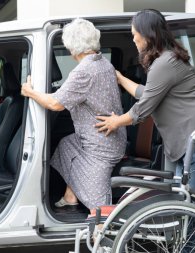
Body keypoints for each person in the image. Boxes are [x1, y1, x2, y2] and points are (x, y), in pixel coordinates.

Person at [95, 9, 195, 208]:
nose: (133, 40)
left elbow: (144, 108)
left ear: (147, 34)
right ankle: (189, 241)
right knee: (186, 208)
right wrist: (121, 79)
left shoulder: (165, 63)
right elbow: (146, 94)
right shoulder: (166, 61)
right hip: (192, 144)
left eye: (134, 35)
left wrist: (116, 121)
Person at [21, 18, 127, 210]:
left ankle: (103, 232)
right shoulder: (104, 63)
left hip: (101, 146)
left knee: (99, 207)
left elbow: (55, 104)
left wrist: (30, 92)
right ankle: (70, 195)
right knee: (66, 145)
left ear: (72, 48)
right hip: (107, 137)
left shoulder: (84, 71)